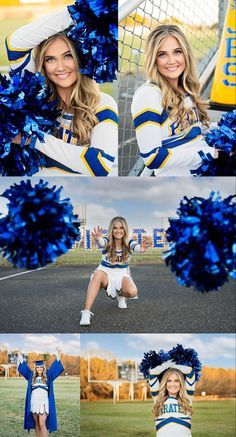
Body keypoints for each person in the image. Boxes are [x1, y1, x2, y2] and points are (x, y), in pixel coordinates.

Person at [6, 5, 118, 176]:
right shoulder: (37, 97)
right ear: (43, 64)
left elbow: (99, 165)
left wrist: (34, 139)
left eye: (68, 56)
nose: (60, 67)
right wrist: (79, 10)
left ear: (79, 59)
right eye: (50, 59)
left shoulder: (102, 103)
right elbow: (14, 45)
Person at [131, 24, 218, 177]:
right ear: (154, 59)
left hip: (205, 172)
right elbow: (152, 157)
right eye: (162, 54)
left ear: (185, 54)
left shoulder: (184, 88)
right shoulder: (148, 95)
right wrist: (211, 153)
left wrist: (223, 128)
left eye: (177, 52)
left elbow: (193, 130)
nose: (171, 61)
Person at [80, 216, 148, 325]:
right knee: (97, 274)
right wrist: (98, 239)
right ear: (112, 229)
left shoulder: (128, 242)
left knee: (132, 292)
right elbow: (102, 242)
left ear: (125, 229)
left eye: (121, 228)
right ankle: (86, 312)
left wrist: (141, 249)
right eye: (115, 228)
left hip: (121, 275)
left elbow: (136, 246)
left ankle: (120, 295)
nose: (118, 231)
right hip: (105, 273)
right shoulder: (107, 241)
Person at [17, 347, 64, 436]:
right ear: (36, 368)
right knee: (37, 425)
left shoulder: (48, 375)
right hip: (34, 402)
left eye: (41, 367)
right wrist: (19, 355)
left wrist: (58, 355)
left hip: (44, 402)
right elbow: (24, 367)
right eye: (38, 367)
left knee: (42, 424)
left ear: (43, 368)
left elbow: (55, 367)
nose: (39, 369)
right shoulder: (31, 376)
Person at [148, 361, 195, 436]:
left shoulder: (187, 399)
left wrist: (174, 364)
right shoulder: (158, 399)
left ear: (181, 383)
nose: (172, 384)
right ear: (165, 383)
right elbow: (152, 373)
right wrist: (168, 364)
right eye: (169, 381)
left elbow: (190, 372)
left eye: (177, 381)